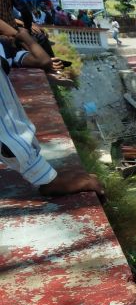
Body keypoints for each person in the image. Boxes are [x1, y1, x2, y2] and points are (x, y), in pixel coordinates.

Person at [0, 18, 103, 198]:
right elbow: (6, 125)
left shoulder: (6, 50)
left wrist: (18, 35)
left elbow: (44, 61)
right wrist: (44, 178)